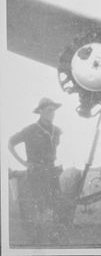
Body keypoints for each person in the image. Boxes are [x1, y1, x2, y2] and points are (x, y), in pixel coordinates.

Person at [8, 97, 63, 239]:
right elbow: (10, 143)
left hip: (52, 171)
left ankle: (53, 233)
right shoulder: (30, 130)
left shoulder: (57, 131)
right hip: (36, 172)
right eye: (49, 111)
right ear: (40, 111)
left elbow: (53, 151)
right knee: (39, 203)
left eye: (54, 111)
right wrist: (24, 163)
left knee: (55, 202)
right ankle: (38, 234)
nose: (52, 113)